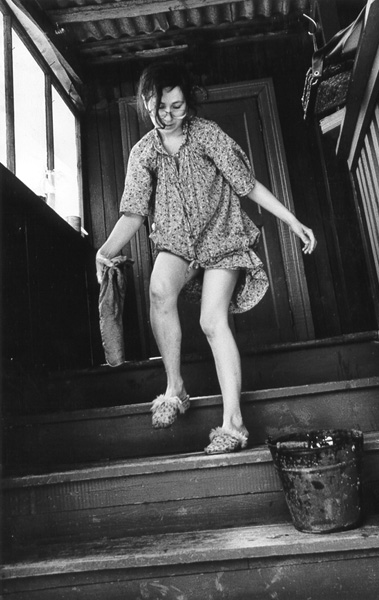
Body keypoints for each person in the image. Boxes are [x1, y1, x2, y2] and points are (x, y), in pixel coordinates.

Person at [96, 62, 317, 455]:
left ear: (189, 103)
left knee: (212, 321)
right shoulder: (143, 151)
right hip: (177, 243)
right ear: (146, 102)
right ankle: (175, 388)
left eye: (177, 107)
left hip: (221, 237)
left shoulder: (208, 135)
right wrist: (106, 251)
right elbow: (133, 212)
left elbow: (248, 185)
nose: (167, 116)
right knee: (159, 290)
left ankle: (233, 423)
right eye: (159, 108)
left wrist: (293, 221)